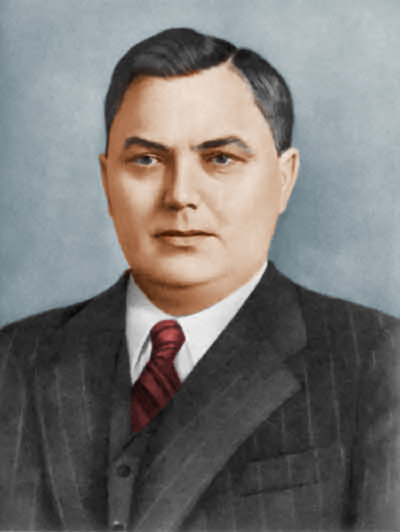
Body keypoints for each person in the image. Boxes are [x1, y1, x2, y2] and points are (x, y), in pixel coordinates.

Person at [0, 27, 399, 532]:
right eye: (147, 160)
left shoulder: (377, 362)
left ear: (284, 178)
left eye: (220, 159)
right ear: (106, 180)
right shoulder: (12, 361)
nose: (180, 195)